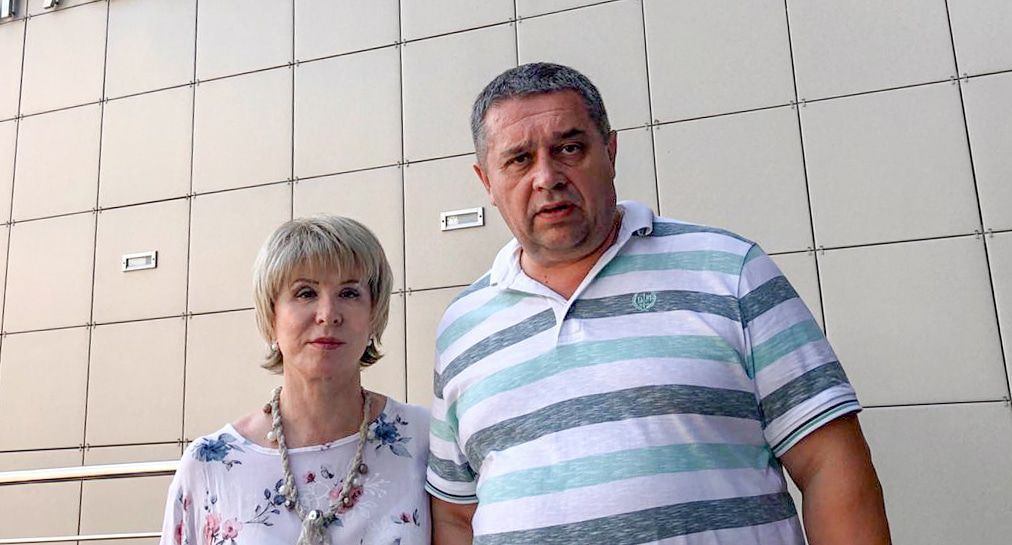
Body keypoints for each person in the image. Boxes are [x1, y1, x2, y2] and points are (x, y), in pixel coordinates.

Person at [426, 63, 890, 544]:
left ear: (610, 152)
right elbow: (456, 513)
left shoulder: (728, 270)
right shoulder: (462, 327)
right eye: (519, 159)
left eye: (569, 148)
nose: (547, 177)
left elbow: (829, 462)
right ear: (487, 180)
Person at [160, 216, 430, 545]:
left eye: (349, 293)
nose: (328, 314)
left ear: (374, 314)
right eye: (305, 293)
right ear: (270, 316)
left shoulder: (426, 440)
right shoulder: (208, 464)